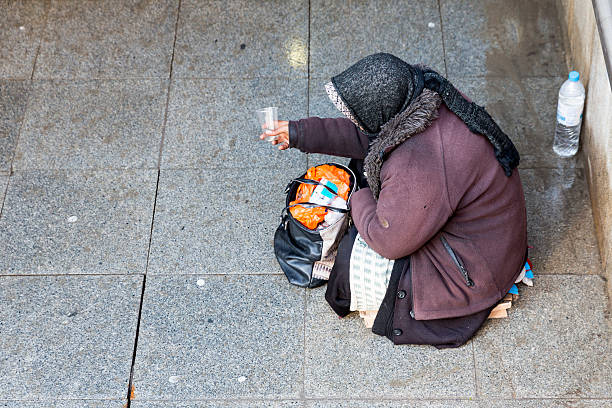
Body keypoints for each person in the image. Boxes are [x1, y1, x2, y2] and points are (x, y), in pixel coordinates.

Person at [262, 53, 527, 348]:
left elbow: (388, 241)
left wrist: (355, 198)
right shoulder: (425, 92)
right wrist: (299, 133)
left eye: (356, 116)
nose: (354, 121)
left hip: (476, 273)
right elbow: (367, 135)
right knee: (363, 167)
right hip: (495, 237)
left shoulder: (418, 162)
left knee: (350, 255)